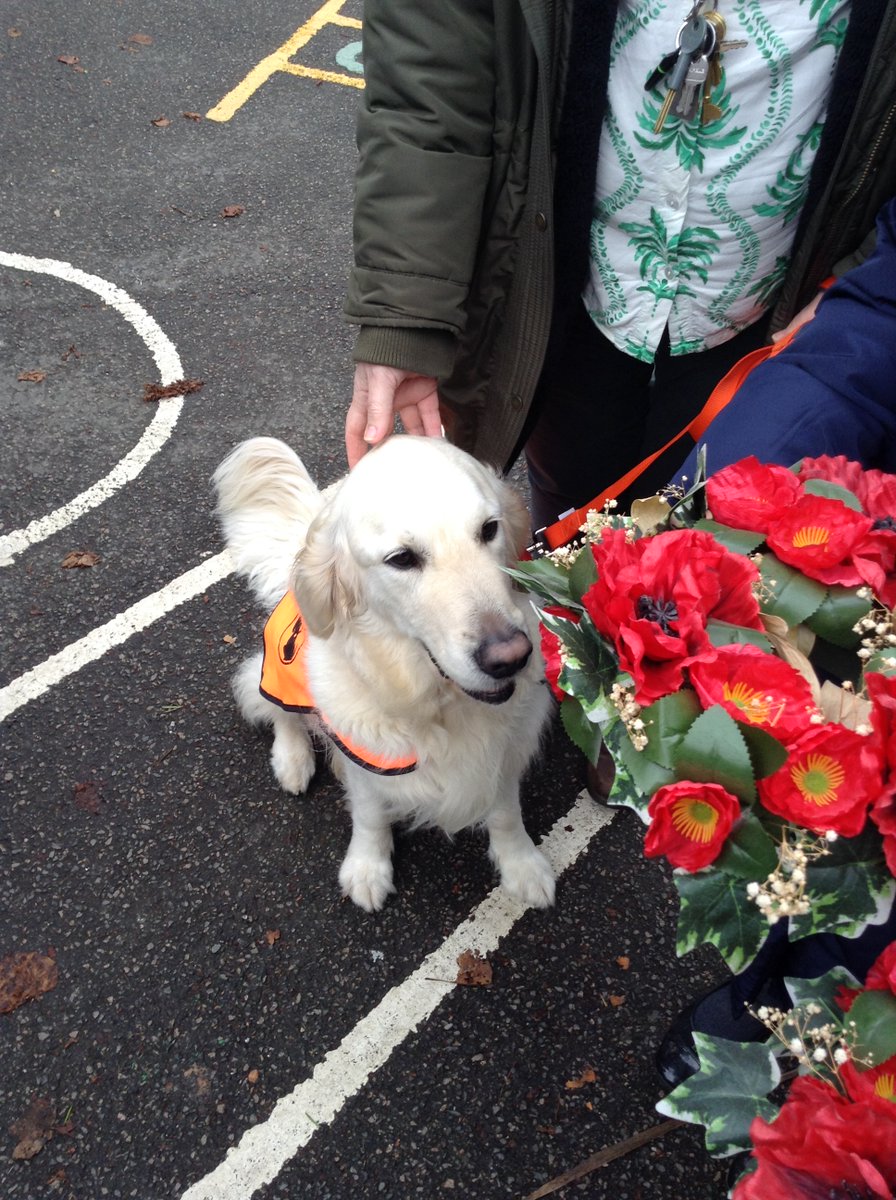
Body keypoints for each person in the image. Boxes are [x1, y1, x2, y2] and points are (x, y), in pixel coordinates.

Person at [343, 0, 896, 532]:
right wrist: (405, 312)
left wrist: (865, 285)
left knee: (709, 552)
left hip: (782, 310)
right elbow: (426, 89)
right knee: (568, 512)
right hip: (567, 291)